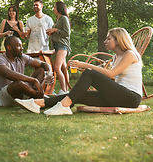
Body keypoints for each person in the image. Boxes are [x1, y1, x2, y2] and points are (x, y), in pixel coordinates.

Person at [15, 28, 143, 115]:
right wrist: (89, 71)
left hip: (130, 98)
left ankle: (64, 106)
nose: (105, 41)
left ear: (118, 40)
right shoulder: (116, 57)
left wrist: (85, 65)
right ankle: (38, 103)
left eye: (108, 39)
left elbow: (111, 74)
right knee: (79, 94)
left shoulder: (130, 54)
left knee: (89, 73)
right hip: (117, 97)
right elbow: (108, 78)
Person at [0, 36, 53, 107]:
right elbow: (7, 73)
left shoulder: (22, 57)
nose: (22, 48)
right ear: (9, 47)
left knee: (41, 70)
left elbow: (43, 64)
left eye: (21, 45)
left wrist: (49, 74)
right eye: (18, 46)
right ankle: (46, 100)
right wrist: (34, 80)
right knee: (19, 83)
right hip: (4, 97)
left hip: (21, 92)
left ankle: (35, 98)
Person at [46, 1, 71, 95]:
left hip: (62, 46)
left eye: (55, 7)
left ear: (59, 8)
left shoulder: (64, 18)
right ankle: (66, 90)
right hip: (57, 46)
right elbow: (58, 32)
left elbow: (67, 33)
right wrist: (51, 32)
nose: (53, 8)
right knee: (64, 68)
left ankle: (63, 91)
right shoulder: (58, 19)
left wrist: (55, 30)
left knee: (57, 68)